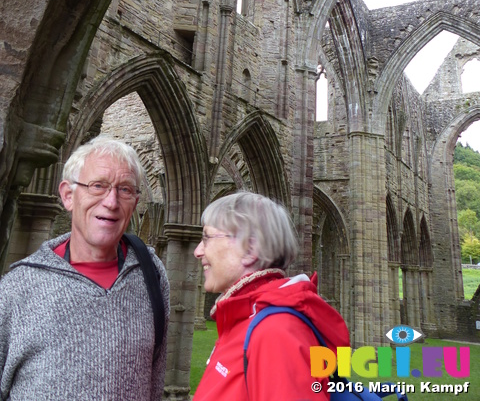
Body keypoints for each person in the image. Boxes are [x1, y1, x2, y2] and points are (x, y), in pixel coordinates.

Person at [0, 135, 169, 401]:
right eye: (97, 186)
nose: (111, 202)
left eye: (125, 189)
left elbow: (155, 379)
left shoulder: (151, 273)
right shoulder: (17, 286)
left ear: (135, 202)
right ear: (68, 196)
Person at [193, 191, 350, 400]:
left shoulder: (276, 333)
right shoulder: (246, 319)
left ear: (250, 249)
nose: (198, 251)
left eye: (207, 238)